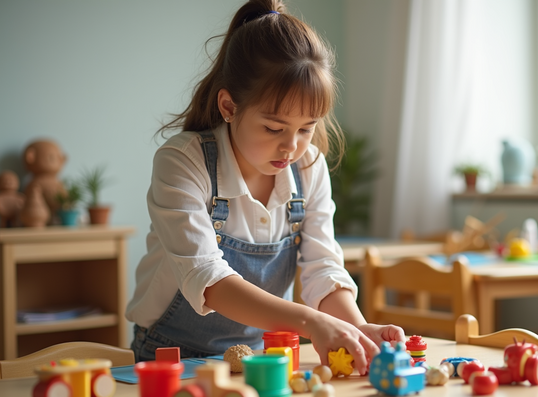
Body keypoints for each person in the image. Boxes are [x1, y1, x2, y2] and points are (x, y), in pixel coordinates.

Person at [126, 0, 404, 375]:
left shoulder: (309, 167)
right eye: (274, 128)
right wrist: (310, 322)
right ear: (229, 105)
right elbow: (209, 281)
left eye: (306, 128)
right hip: (173, 356)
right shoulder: (183, 161)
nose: (291, 146)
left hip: (263, 355)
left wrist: (356, 327)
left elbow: (323, 267)